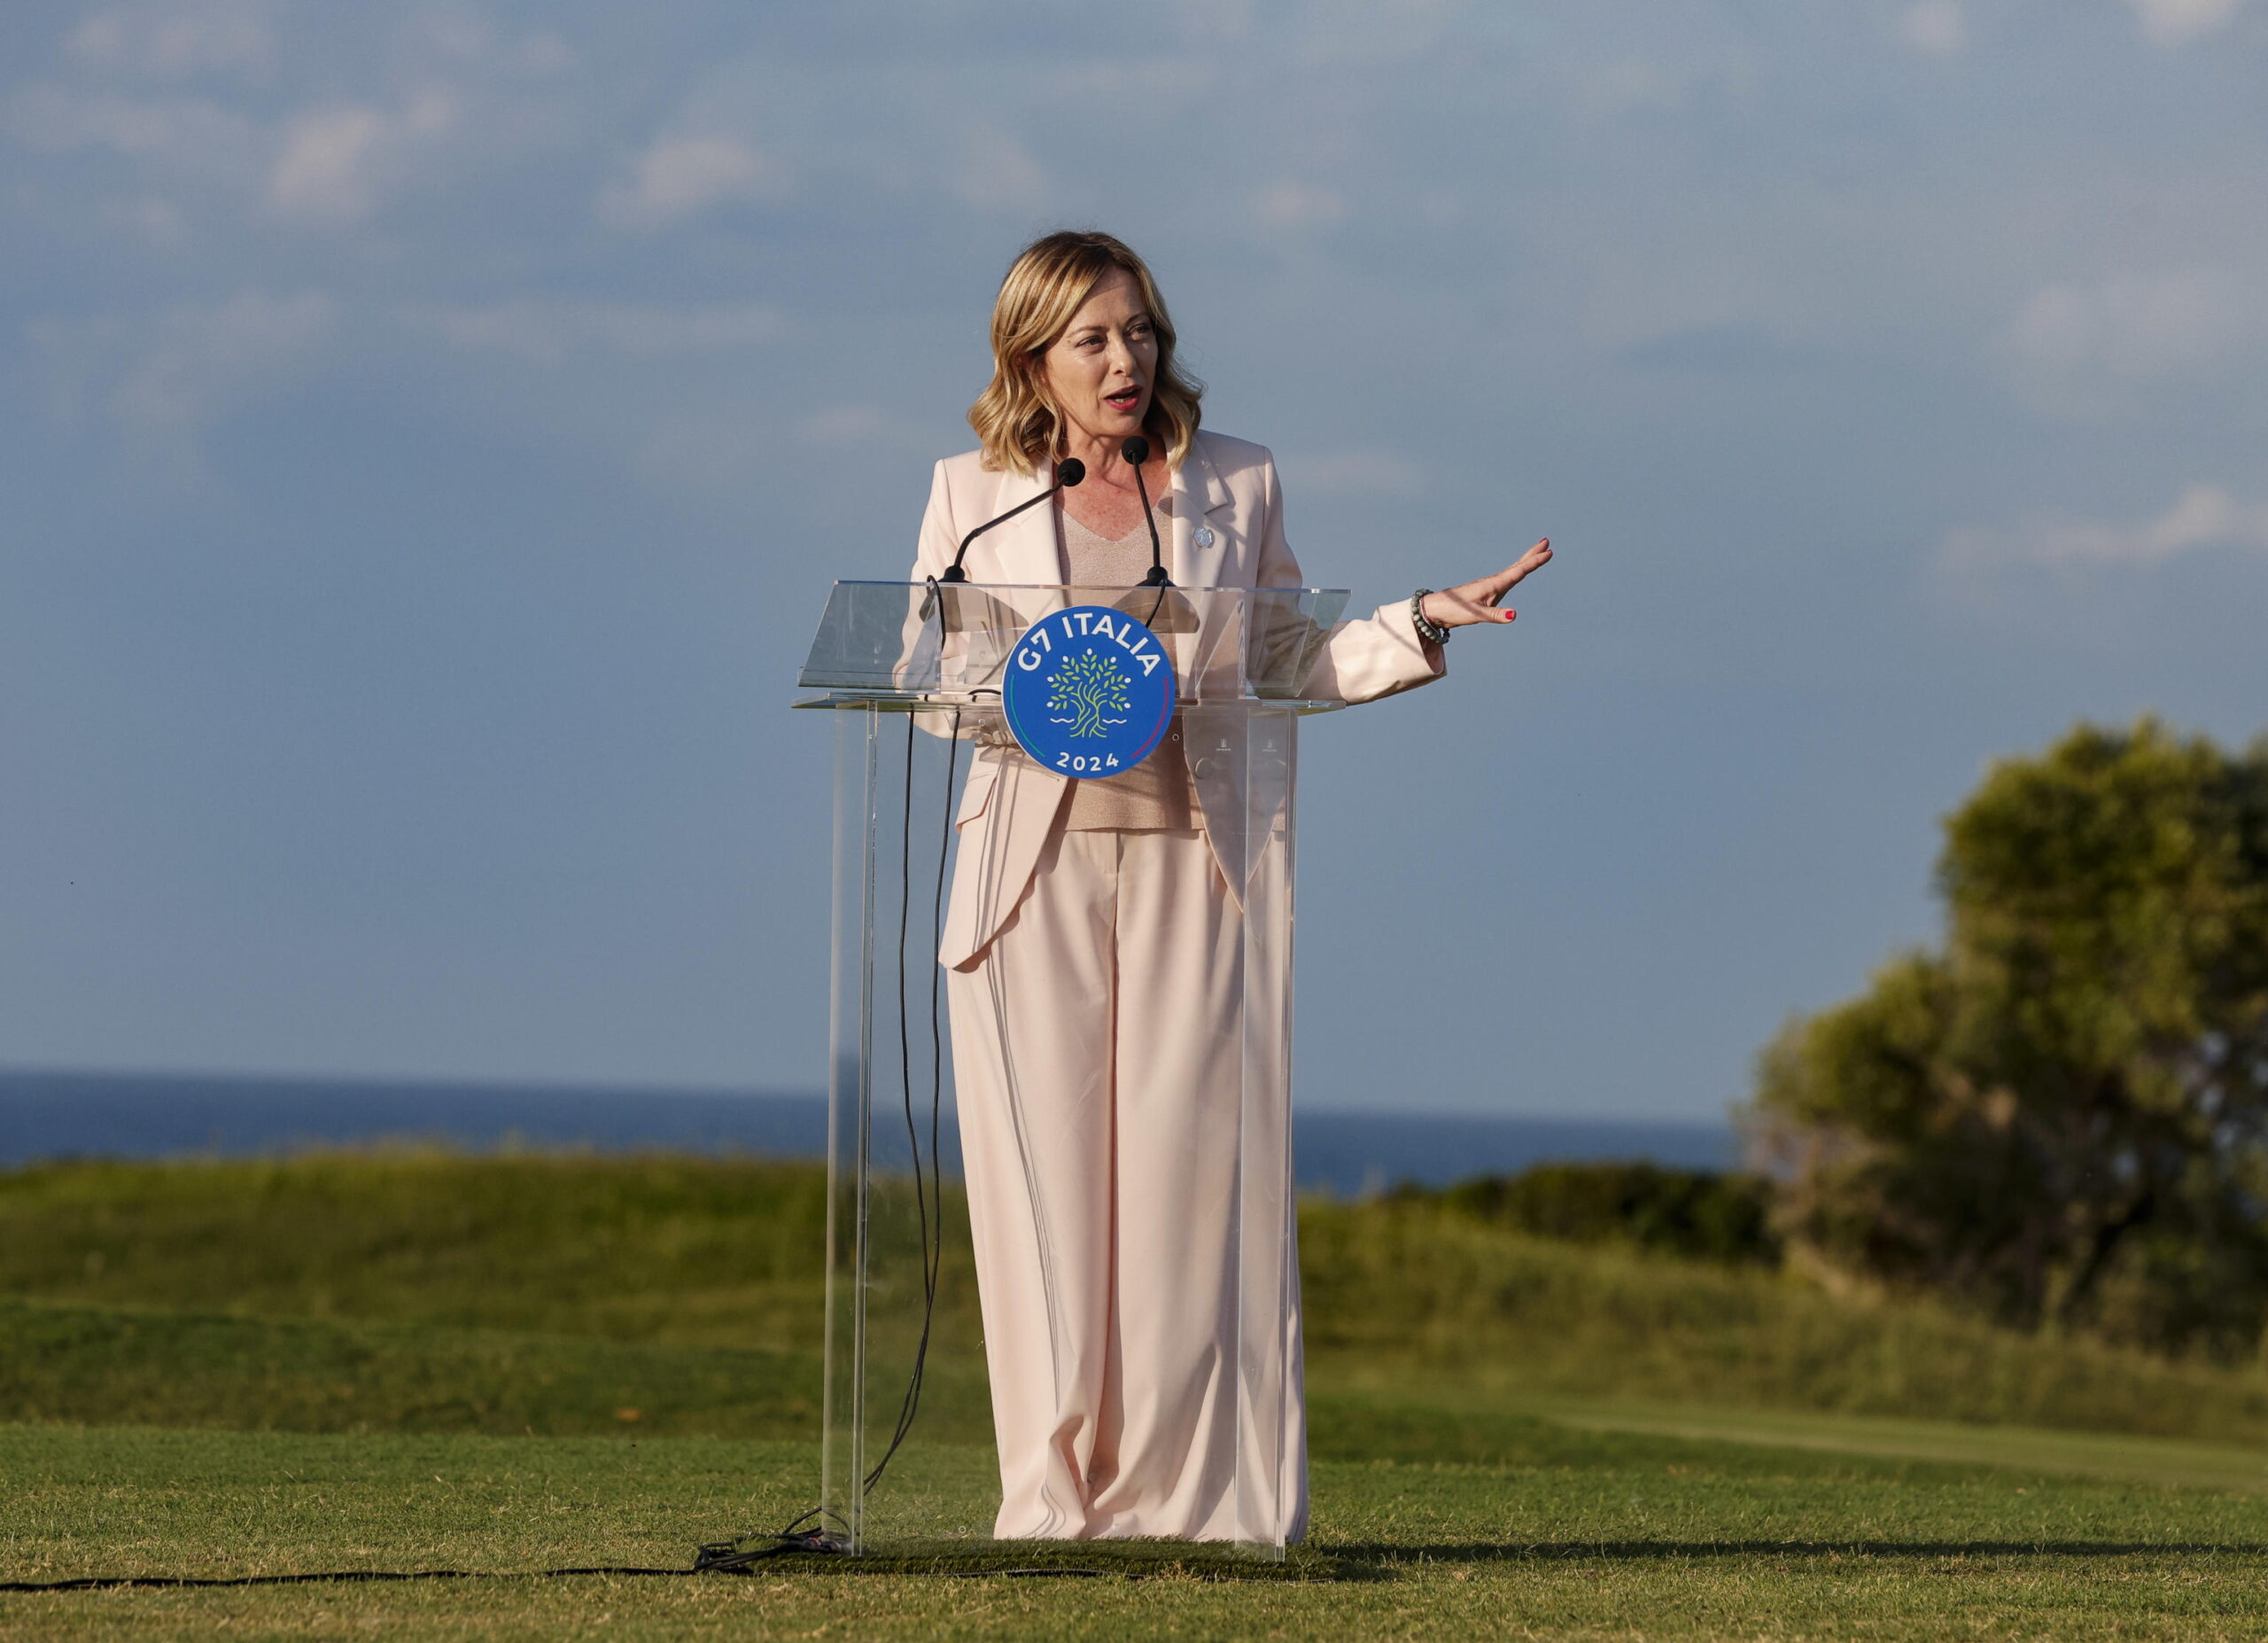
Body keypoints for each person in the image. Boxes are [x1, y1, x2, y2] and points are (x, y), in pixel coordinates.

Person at [909, 230, 1552, 1541]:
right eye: (1092, 338)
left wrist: (1421, 618)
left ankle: (1193, 1504)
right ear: (1031, 356)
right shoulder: (971, 492)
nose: (1126, 358)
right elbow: (927, 681)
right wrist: (1025, 697)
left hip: (1196, 869)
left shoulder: (1235, 481)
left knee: (1186, 1196)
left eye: (1141, 330)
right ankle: (1053, 1498)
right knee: (1047, 1212)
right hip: (1026, 877)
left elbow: (1286, 655)